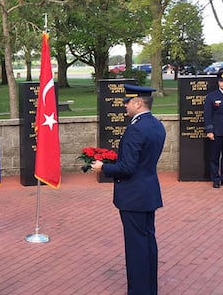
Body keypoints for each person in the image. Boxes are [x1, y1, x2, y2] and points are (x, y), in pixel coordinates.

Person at [92, 84, 165, 295]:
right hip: (148, 192)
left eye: (127, 102)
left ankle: (139, 291)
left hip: (134, 195)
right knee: (148, 242)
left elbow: (128, 168)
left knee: (136, 247)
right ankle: (149, 288)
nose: (125, 105)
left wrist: (103, 167)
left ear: (138, 103)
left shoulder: (135, 129)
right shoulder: (157, 125)